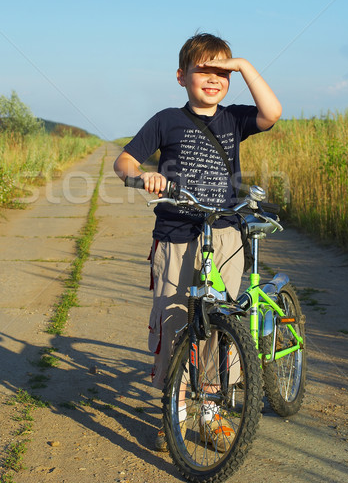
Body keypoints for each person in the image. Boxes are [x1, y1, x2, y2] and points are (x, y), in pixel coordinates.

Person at [114, 32, 282, 451]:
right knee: (175, 324)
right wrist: (142, 176)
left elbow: (273, 112)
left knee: (217, 325)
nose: (213, 78)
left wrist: (243, 66)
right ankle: (176, 410)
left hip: (224, 234)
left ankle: (210, 411)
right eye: (202, 69)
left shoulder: (235, 119)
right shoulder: (166, 119)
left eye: (221, 71)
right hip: (175, 234)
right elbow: (124, 161)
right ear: (181, 76)